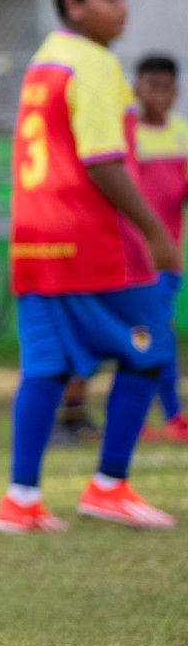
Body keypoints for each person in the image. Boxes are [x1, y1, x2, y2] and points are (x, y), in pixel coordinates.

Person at [0, 0, 179, 533]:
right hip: (90, 245)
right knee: (149, 349)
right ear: (73, 4)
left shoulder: (44, 61)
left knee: (45, 368)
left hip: (34, 242)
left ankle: (20, 498)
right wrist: (154, 231)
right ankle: (109, 485)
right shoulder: (93, 65)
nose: (121, 9)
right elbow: (102, 160)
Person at [132, 54, 188, 441]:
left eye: (167, 87)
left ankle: (169, 416)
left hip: (166, 258)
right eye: (152, 86)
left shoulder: (181, 133)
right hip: (131, 258)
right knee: (145, 336)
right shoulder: (126, 135)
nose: (160, 95)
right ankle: (156, 415)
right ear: (138, 88)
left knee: (157, 335)